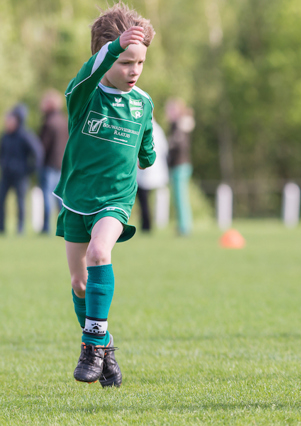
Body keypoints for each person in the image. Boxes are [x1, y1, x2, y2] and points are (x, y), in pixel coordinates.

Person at [54, 2, 156, 386]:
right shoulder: (83, 94)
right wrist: (113, 47)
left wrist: (147, 153)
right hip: (76, 198)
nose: (133, 71)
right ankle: (106, 346)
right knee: (79, 283)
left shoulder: (143, 103)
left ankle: (92, 345)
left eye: (140, 63)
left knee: (101, 251)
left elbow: (146, 148)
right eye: (125, 61)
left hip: (115, 200)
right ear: (105, 57)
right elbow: (91, 68)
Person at [0, 103, 43, 235]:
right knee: (1, 200)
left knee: (20, 202)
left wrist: (29, 170)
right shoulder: (6, 136)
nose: (8, 122)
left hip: (21, 175)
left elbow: (38, 153)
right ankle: (2, 227)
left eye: (10, 119)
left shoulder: (25, 135)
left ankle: (20, 228)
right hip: (7, 174)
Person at [38, 90, 68, 234]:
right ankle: (64, 226)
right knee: (61, 199)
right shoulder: (64, 121)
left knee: (47, 197)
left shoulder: (48, 123)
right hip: (63, 165)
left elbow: (42, 147)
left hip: (49, 165)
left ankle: (46, 227)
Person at [136, 119, 169, 232]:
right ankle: (149, 224)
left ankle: (146, 226)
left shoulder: (143, 126)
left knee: (144, 201)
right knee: (148, 201)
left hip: (146, 171)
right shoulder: (159, 129)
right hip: (154, 171)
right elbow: (165, 149)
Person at [166, 98, 193, 236]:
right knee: (179, 199)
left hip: (180, 166)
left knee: (181, 198)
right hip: (179, 166)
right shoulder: (176, 125)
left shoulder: (179, 125)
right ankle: (183, 226)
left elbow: (179, 146)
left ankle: (184, 228)